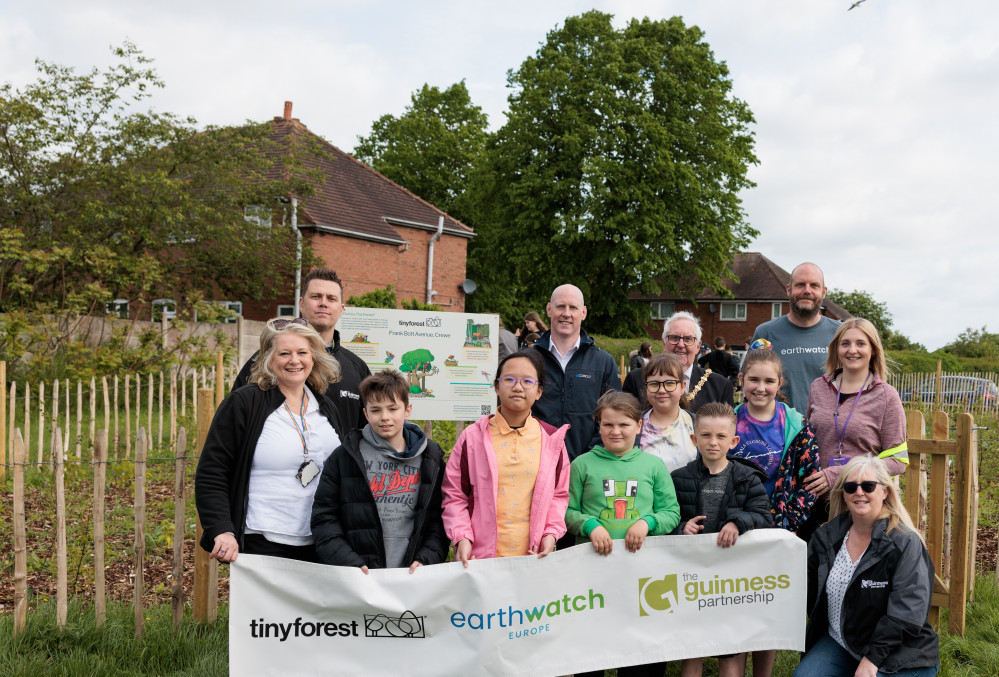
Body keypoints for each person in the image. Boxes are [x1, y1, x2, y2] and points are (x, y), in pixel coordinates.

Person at [196, 318, 344, 563]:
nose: (294, 360)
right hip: (263, 540)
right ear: (268, 358)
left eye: (302, 352)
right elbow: (213, 472)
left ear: (314, 357)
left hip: (321, 539)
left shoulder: (326, 407)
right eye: (284, 353)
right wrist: (222, 529)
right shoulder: (244, 403)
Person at [565, 391, 680, 677]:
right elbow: (565, 512)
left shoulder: (653, 466)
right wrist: (590, 525)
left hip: (640, 573)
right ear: (599, 426)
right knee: (592, 646)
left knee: (639, 648)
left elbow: (672, 512)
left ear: (639, 426)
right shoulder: (582, 465)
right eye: (608, 425)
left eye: (624, 425)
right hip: (592, 572)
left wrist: (648, 523)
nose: (615, 431)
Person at [793, 456, 939, 677]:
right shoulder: (826, 537)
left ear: (885, 492)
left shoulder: (904, 542)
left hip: (900, 651)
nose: (859, 492)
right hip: (841, 641)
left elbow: (907, 612)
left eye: (868, 486)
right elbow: (803, 587)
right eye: (850, 487)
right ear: (843, 493)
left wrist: (871, 659)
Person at [730, 349, 821, 677]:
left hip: (778, 529)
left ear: (779, 383)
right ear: (741, 381)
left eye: (769, 381)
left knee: (766, 603)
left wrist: (791, 526)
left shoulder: (795, 425)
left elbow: (810, 480)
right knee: (736, 602)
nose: (760, 387)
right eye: (753, 379)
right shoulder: (729, 419)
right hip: (735, 527)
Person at [670, 402, 773, 677]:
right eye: (705, 435)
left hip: (731, 578)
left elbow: (764, 517)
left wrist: (738, 522)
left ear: (733, 440)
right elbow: (667, 519)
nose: (713, 442)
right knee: (692, 648)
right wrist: (681, 527)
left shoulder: (748, 479)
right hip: (691, 576)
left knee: (730, 646)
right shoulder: (678, 479)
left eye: (720, 436)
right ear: (694, 439)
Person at [310, 370, 448, 572]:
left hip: (415, 575)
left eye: (393, 409)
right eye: (375, 410)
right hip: (359, 577)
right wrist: (348, 563)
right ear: (365, 413)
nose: (385, 417)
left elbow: (440, 517)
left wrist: (428, 558)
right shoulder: (344, 457)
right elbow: (324, 518)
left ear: (407, 410)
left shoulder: (430, 458)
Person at [442, 350, 570, 564]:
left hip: (533, 559)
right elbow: (455, 495)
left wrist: (550, 534)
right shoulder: (472, 437)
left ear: (538, 391)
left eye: (527, 381)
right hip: (480, 560)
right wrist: (462, 537)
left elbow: (559, 495)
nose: (518, 387)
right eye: (509, 379)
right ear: (496, 387)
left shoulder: (551, 439)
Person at [799, 318, 909, 542]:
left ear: (873, 350)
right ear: (836, 349)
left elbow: (898, 461)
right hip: (815, 503)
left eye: (860, 343)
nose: (852, 350)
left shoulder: (886, 396)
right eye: (845, 343)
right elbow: (807, 443)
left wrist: (840, 473)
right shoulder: (818, 387)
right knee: (813, 571)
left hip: (860, 503)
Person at [233, 268, 371, 431]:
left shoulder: (357, 369)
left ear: (341, 309)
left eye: (331, 298)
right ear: (301, 304)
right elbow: (235, 422)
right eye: (316, 296)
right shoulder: (266, 360)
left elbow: (369, 430)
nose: (323, 303)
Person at [531, 284, 620, 461]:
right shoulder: (528, 361)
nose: (566, 313)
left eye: (573, 307)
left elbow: (614, 416)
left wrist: (590, 460)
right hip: (535, 465)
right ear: (549, 309)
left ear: (583, 313)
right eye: (560, 306)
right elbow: (514, 412)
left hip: (589, 468)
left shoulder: (603, 362)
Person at [752, 262, 841, 410]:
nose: (807, 291)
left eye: (814, 285)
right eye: (800, 285)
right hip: (778, 429)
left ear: (824, 292)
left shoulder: (840, 334)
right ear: (788, 289)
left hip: (828, 430)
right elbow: (751, 383)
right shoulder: (765, 334)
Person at [623, 311, 733, 412]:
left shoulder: (720, 386)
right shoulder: (636, 379)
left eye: (688, 339)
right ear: (664, 344)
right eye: (674, 338)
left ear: (698, 346)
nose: (681, 345)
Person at [637, 353, 697, 472]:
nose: (662, 390)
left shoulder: (697, 424)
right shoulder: (634, 425)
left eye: (669, 383)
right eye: (654, 384)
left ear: (682, 387)